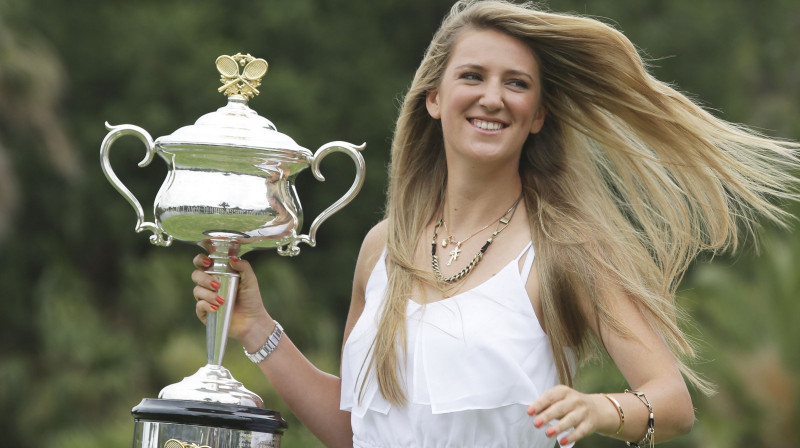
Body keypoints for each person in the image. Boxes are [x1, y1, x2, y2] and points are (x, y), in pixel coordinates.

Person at [191, 1, 798, 447]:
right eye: (473, 76)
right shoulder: (383, 251)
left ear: (536, 117)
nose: (493, 97)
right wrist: (256, 329)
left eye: (517, 84)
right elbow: (355, 431)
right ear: (434, 98)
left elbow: (672, 401)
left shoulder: (568, 250)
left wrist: (600, 408)